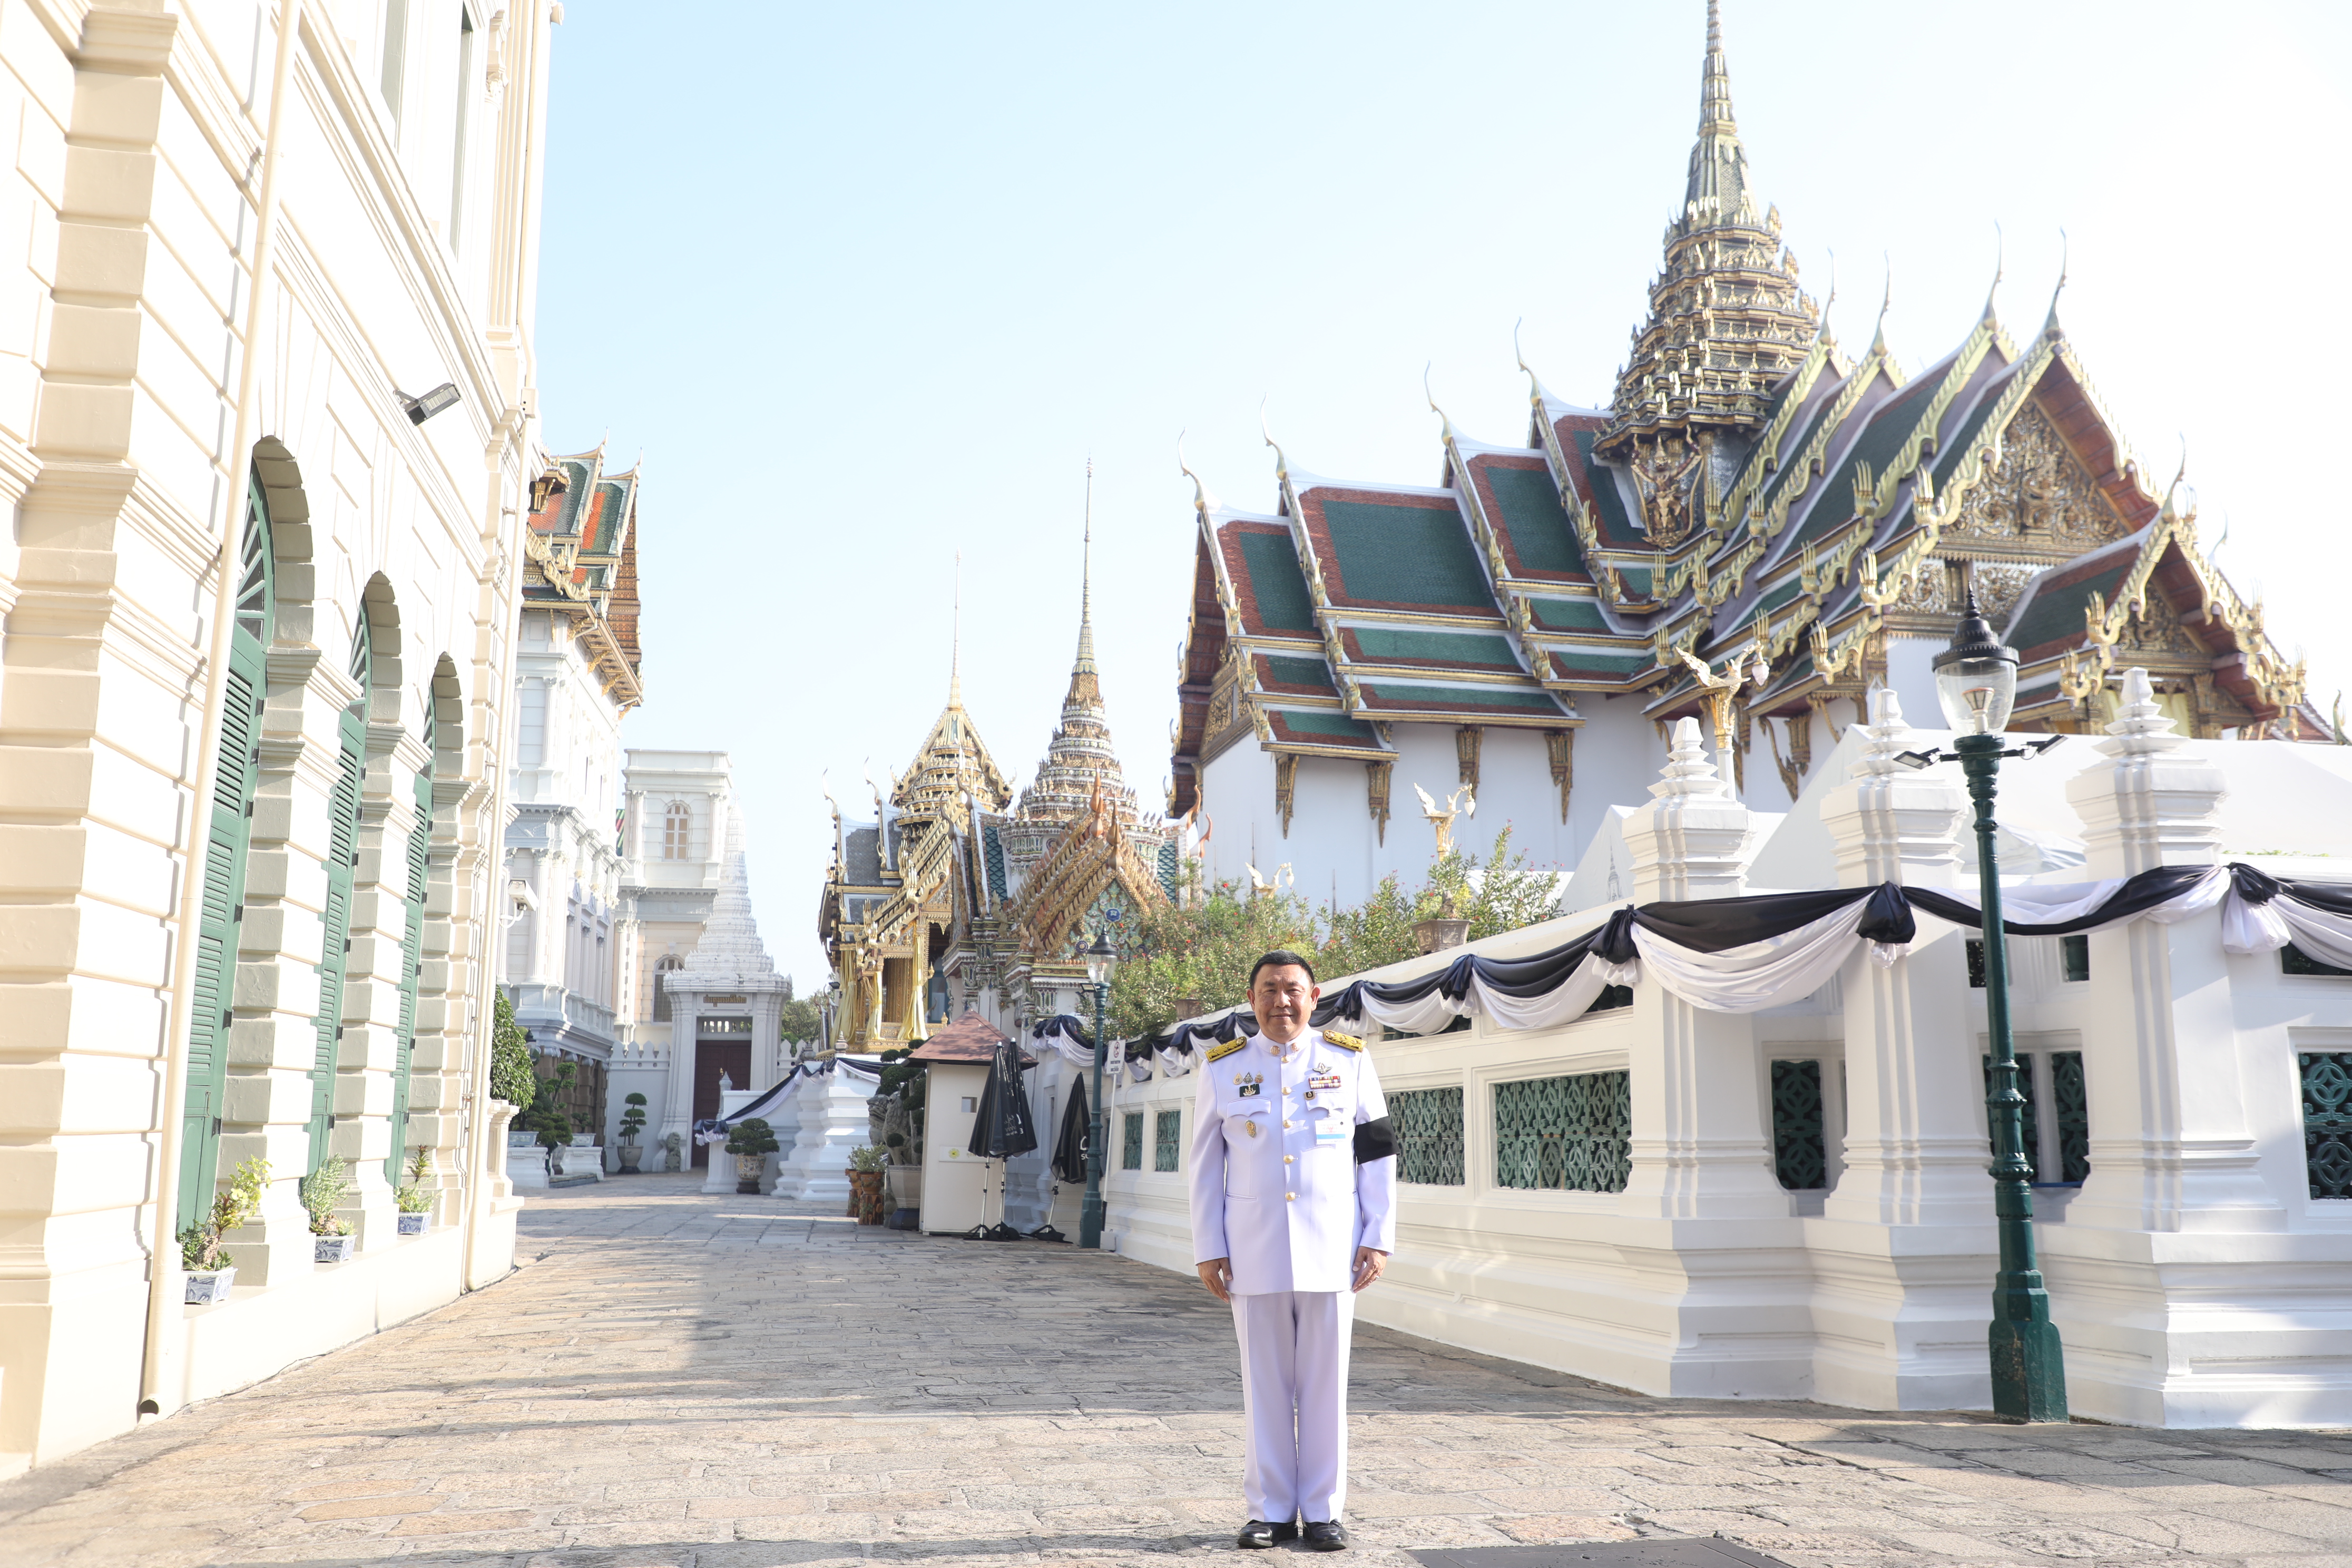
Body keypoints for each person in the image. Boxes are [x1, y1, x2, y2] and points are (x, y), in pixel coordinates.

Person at [1188, 949, 1395, 1553]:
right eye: (1270, 989)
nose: (1282, 1000)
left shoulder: (1349, 1062)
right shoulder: (1224, 1069)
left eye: (1293, 989)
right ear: (1251, 999)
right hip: (1253, 1251)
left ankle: (1324, 1512)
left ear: (1314, 995)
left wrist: (1378, 1235)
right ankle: (1270, 1512)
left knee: (1327, 1385)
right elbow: (1204, 1167)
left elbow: (1377, 1156)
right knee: (1265, 1387)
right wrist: (1209, 1247)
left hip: (1335, 1250)